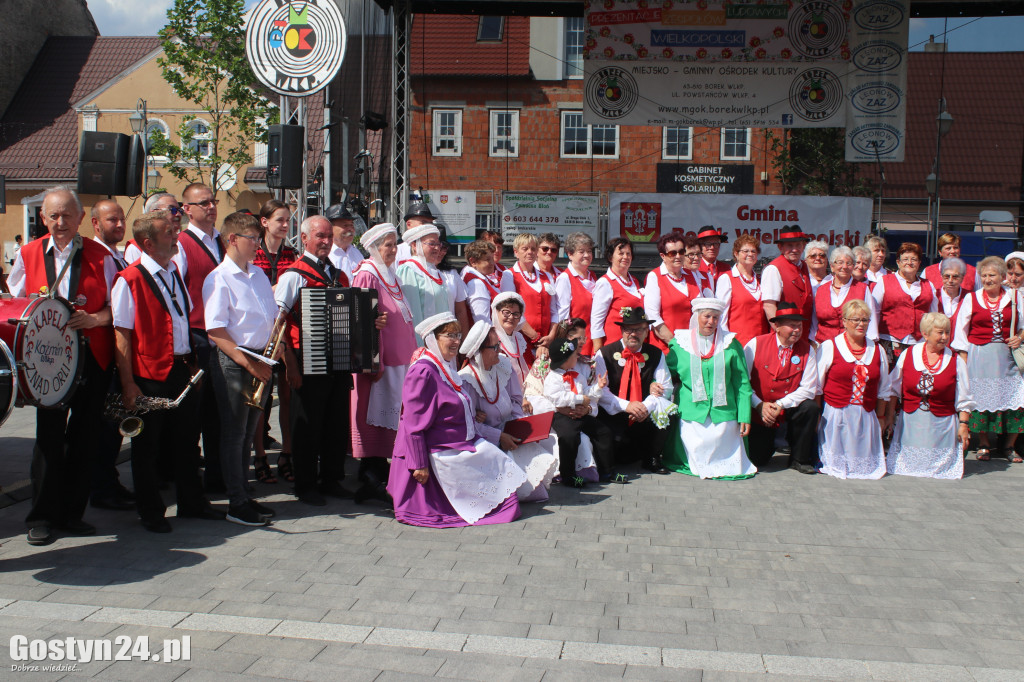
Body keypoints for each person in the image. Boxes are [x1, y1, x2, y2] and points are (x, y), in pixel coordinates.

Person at [9, 187, 117, 545]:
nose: (59, 222)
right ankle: (41, 516)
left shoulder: (103, 256)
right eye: (53, 216)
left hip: (92, 358)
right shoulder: (27, 254)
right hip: (47, 362)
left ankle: (72, 514)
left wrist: (96, 319)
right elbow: (16, 307)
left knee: (85, 438)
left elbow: (120, 309)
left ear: (81, 218)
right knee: (48, 438)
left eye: (66, 215)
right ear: (42, 218)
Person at [112, 211, 221, 533]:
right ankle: (150, 511)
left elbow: (182, 319)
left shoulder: (172, 270)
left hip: (180, 368)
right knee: (147, 446)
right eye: (168, 233)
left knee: (187, 440)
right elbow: (122, 334)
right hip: (149, 373)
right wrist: (128, 383)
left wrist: (192, 364)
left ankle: (192, 502)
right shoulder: (129, 279)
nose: (176, 237)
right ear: (148, 242)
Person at [389, 312, 527, 527]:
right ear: (433, 339)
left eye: (458, 335)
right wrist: (418, 464)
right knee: (501, 486)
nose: (455, 341)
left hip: (458, 443)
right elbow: (412, 423)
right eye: (449, 335)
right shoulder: (423, 371)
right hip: (440, 450)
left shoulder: (445, 366)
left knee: (504, 478)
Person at [203, 211, 278, 526]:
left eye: (258, 240)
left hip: (262, 358)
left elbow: (272, 318)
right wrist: (251, 363)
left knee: (249, 432)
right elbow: (216, 332)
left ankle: (245, 495)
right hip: (237, 361)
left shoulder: (258, 274)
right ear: (232, 239)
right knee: (235, 434)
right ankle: (236, 501)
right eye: (252, 239)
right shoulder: (219, 278)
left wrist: (273, 354)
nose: (257, 245)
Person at [275, 216, 356, 505]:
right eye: (320, 236)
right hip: (306, 359)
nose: (325, 241)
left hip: (338, 359)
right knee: (307, 425)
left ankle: (331, 478)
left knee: (336, 423)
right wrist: (291, 364)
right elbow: (278, 322)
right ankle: (306, 484)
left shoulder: (339, 275)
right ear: (305, 238)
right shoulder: (294, 274)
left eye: (328, 237)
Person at [350, 223, 416, 503]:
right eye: (387, 245)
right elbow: (360, 319)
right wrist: (373, 361)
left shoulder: (389, 272)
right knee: (378, 416)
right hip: (383, 362)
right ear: (374, 248)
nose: (392, 249)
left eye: (393, 243)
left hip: (399, 361)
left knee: (392, 417)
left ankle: (379, 473)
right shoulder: (367, 273)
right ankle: (371, 475)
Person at [459, 321, 558, 502]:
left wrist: (517, 424)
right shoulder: (467, 379)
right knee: (524, 490)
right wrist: (498, 436)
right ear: (479, 351)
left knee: (539, 479)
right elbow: (469, 423)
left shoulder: (503, 364)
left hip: (510, 429)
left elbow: (515, 398)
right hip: (488, 439)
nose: (499, 350)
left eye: (499, 345)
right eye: (494, 347)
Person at [663, 298, 754, 479]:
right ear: (696, 316)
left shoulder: (731, 344)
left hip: (724, 413)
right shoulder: (679, 344)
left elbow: (742, 384)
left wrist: (744, 415)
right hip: (692, 414)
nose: (711, 322)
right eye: (707, 316)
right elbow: (665, 373)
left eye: (715, 317)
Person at [952, 256, 1024, 463]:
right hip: (979, 355)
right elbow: (961, 332)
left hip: (1006, 356)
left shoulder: (1015, 297)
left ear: (1002, 277)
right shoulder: (972, 298)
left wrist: (1018, 338)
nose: (987, 279)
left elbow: (1023, 326)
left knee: (1015, 399)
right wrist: (964, 361)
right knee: (980, 399)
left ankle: (1009, 447)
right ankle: (984, 444)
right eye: (984, 275)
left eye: (992, 275)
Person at [89, 199, 135, 512]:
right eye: (111, 221)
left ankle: (109, 481)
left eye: (121, 220)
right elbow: (113, 309)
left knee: (114, 424)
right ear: (95, 224)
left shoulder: (116, 256)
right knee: (104, 426)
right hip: (100, 353)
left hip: (116, 353)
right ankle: (101, 487)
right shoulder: (95, 258)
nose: (119, 226)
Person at [887, 313, 974, 479]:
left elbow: (964, 397)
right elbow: (893, 389)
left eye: (947, 332)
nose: (945, 337)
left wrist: (963, 425)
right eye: (940, 332)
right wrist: (890, 416)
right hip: (911, 423)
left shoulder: (955, 360)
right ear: (926, 334)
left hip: (941, 424)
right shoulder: (909, 354)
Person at [178, 182, 225, 491]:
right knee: (193, 416)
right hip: (196, 337)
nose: (210, 207)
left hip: (220, 336)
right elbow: (179, 296)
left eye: (213, 201)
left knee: (218, 413)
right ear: (187, 210)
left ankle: (217, 478)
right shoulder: (182, 243)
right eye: (203, 203)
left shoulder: (222, 241)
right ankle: (189, 483)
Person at [816, 299, 893, 479]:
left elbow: (883, 389)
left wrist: (881, 417)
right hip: (836, 413)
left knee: (865, 467)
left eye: (865, 320)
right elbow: (817, 386)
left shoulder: (877, 350)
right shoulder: (830, 346)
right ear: (844, 321)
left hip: (865, 415)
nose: (861, 324)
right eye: (855, 320)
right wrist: (818, 416)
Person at [593, 308, 675, 475]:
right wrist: (627, 405)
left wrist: (644, 407)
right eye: (629, 329)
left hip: (643, 413)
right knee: (614, 447)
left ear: (646, 331)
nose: (633, 334)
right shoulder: (604, 354)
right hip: (615, 412)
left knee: (666, 411)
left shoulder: (656, 353)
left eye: (639, 329)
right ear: (622, 331)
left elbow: (665, 386)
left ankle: (652, 458)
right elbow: (601, 391)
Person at [252, 199, 299, 483]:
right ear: (264, 221)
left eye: (287, 220)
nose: (284, 225)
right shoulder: (252, 252)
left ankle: (287, 454)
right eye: (279, 220)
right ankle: (259, 455)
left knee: (288, 396)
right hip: (260, 333)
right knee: (261, 399)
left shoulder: (292, 254)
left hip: (285, 332)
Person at [743, 303, 820, 474]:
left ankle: (800, 458)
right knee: (759, 459)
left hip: (787, 408)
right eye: (792, 325)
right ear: (777, 326)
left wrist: (780, 404)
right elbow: (743, 382)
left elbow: (808, 389)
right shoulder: (755, 344)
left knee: (810, 407)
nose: (797, 330)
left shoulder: (808, 350)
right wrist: (759, 405)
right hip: (760, 410)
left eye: (799, 326)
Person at [544, 336, 615, 486]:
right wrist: (579, 399)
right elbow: (557, 398)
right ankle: (568, 475)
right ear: (565, 360)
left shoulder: (577, 376)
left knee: (603, 432)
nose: (577, 355)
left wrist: (598, 388)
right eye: (574, 354)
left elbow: (587, 392)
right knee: (569, 437)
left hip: (580, 414)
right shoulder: (553, 378)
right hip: (562, 415)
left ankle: (606, 470)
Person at [870, 242, 938, 364]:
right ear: (898, 262)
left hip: (919, 343)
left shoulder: (929, 285)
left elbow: (934, 316)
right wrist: (873, 338)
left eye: (914, 259)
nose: (909, 262)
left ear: (919, 263)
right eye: (905, 259)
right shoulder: (884, 281)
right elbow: (874, 311)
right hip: (890, 341)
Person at [647, 232, 715, 353]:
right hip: (666, 348)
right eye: (673, 253)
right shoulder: (655, 277)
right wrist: (675, 344)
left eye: (681, 252)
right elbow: (653, 318)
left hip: (692, 348)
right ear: (663, 256)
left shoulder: (692, 275)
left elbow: (701, 311)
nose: (678, 256)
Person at [397, 223, 453, 342]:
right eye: (432, 244)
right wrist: (421, 347)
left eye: (438, 244)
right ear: (414, 245)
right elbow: (413, 314)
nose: (437, 248)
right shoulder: (409, 270)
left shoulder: (435, 271)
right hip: (423, 343)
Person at [811, 246, 877, 344]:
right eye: (840, 262)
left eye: (849, 263)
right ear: (832, 266)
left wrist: (870, 344)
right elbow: (814, 322)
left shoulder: (863, 289)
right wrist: (813, 343)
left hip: (853, 344)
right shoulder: (820, 289)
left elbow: (871, 320)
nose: (844, 266)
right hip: (823, 345)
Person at [716, 234, 770, 346]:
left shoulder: (761, 280)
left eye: (753, 251)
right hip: (738, 344)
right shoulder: (727, 278)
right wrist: (727, 343)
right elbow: (721, 316)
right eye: (745, 251)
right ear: (736, 253)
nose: (750, 254)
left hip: (762, 344)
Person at [591, 237, 643, 352]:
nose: (625, 257)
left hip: (636, 346)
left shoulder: (634, 281)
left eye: (628, 254)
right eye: (621, 253)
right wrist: (598, 352)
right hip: (614, 349)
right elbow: (596, 322)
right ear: (610, 257)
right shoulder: (605, 283)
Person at [511, 233, 558, 350]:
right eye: (525, 249)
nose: (530, 252)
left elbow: (553, 310)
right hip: (520, 339)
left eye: (533, 248)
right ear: (516, 252)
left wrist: (551, 336)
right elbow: (511, 310)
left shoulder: (547, 276)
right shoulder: (510, 275)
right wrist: (534, 336)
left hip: (546, 342)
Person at [554, 232, 598, 356]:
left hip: (594, 341)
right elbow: (562, 317)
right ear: (570, 254)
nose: (587, 255)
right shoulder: (565, 278)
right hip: (577, 345)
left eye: (589, 251)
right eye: (581, 251)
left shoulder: (593, 276)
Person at [761, 226, 814, 325]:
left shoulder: (804, 266)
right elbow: (769, 306)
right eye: (790, 245)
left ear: (803, 246)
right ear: (781, 247)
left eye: (798, 245)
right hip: (785, 334)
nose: (794, 249)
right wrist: (779, 331)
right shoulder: (773, 269)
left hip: (803, 333)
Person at [462, 239, 513, 323]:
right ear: (473, 261)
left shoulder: (479, 278)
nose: (492, 263)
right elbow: (483, 321)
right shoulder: (476, 283)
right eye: (488, 259)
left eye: (492, 258)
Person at [492, 292, 532, 384]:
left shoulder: (519, 338)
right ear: (496, 312)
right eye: (506, 312)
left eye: (516, 314)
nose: (511, 317)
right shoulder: (491, 339)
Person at [326, 204, 363, 282]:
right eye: (345, 225)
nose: (350, 229)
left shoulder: (356, 253)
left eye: (352, 225)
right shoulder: (326, 255)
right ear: (330, 228)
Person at [935, 257, 968, 322]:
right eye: (946, 276)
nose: (950, 280)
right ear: (941, 277)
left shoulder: (968, 297)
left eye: (955, 277)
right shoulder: (934, 296)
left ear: (962, 279)